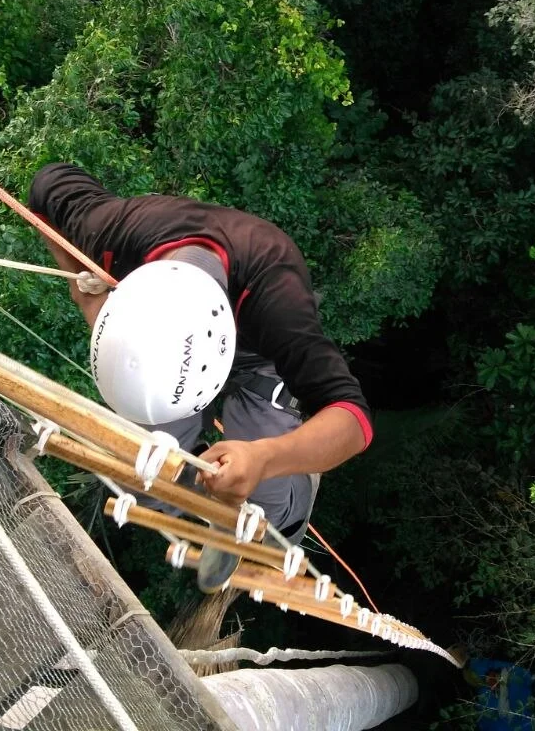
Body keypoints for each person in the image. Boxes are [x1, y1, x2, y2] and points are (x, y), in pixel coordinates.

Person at [27, 163, 373, 589]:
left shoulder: (278, 302)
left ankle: (274, 506)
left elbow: (353, 422)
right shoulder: (109, 231)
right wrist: (81, 290)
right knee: (139, 473)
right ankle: (214, 497)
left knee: (266, 495)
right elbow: (46, 185)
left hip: (257, 360)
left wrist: (264, 458)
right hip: (161, 353)